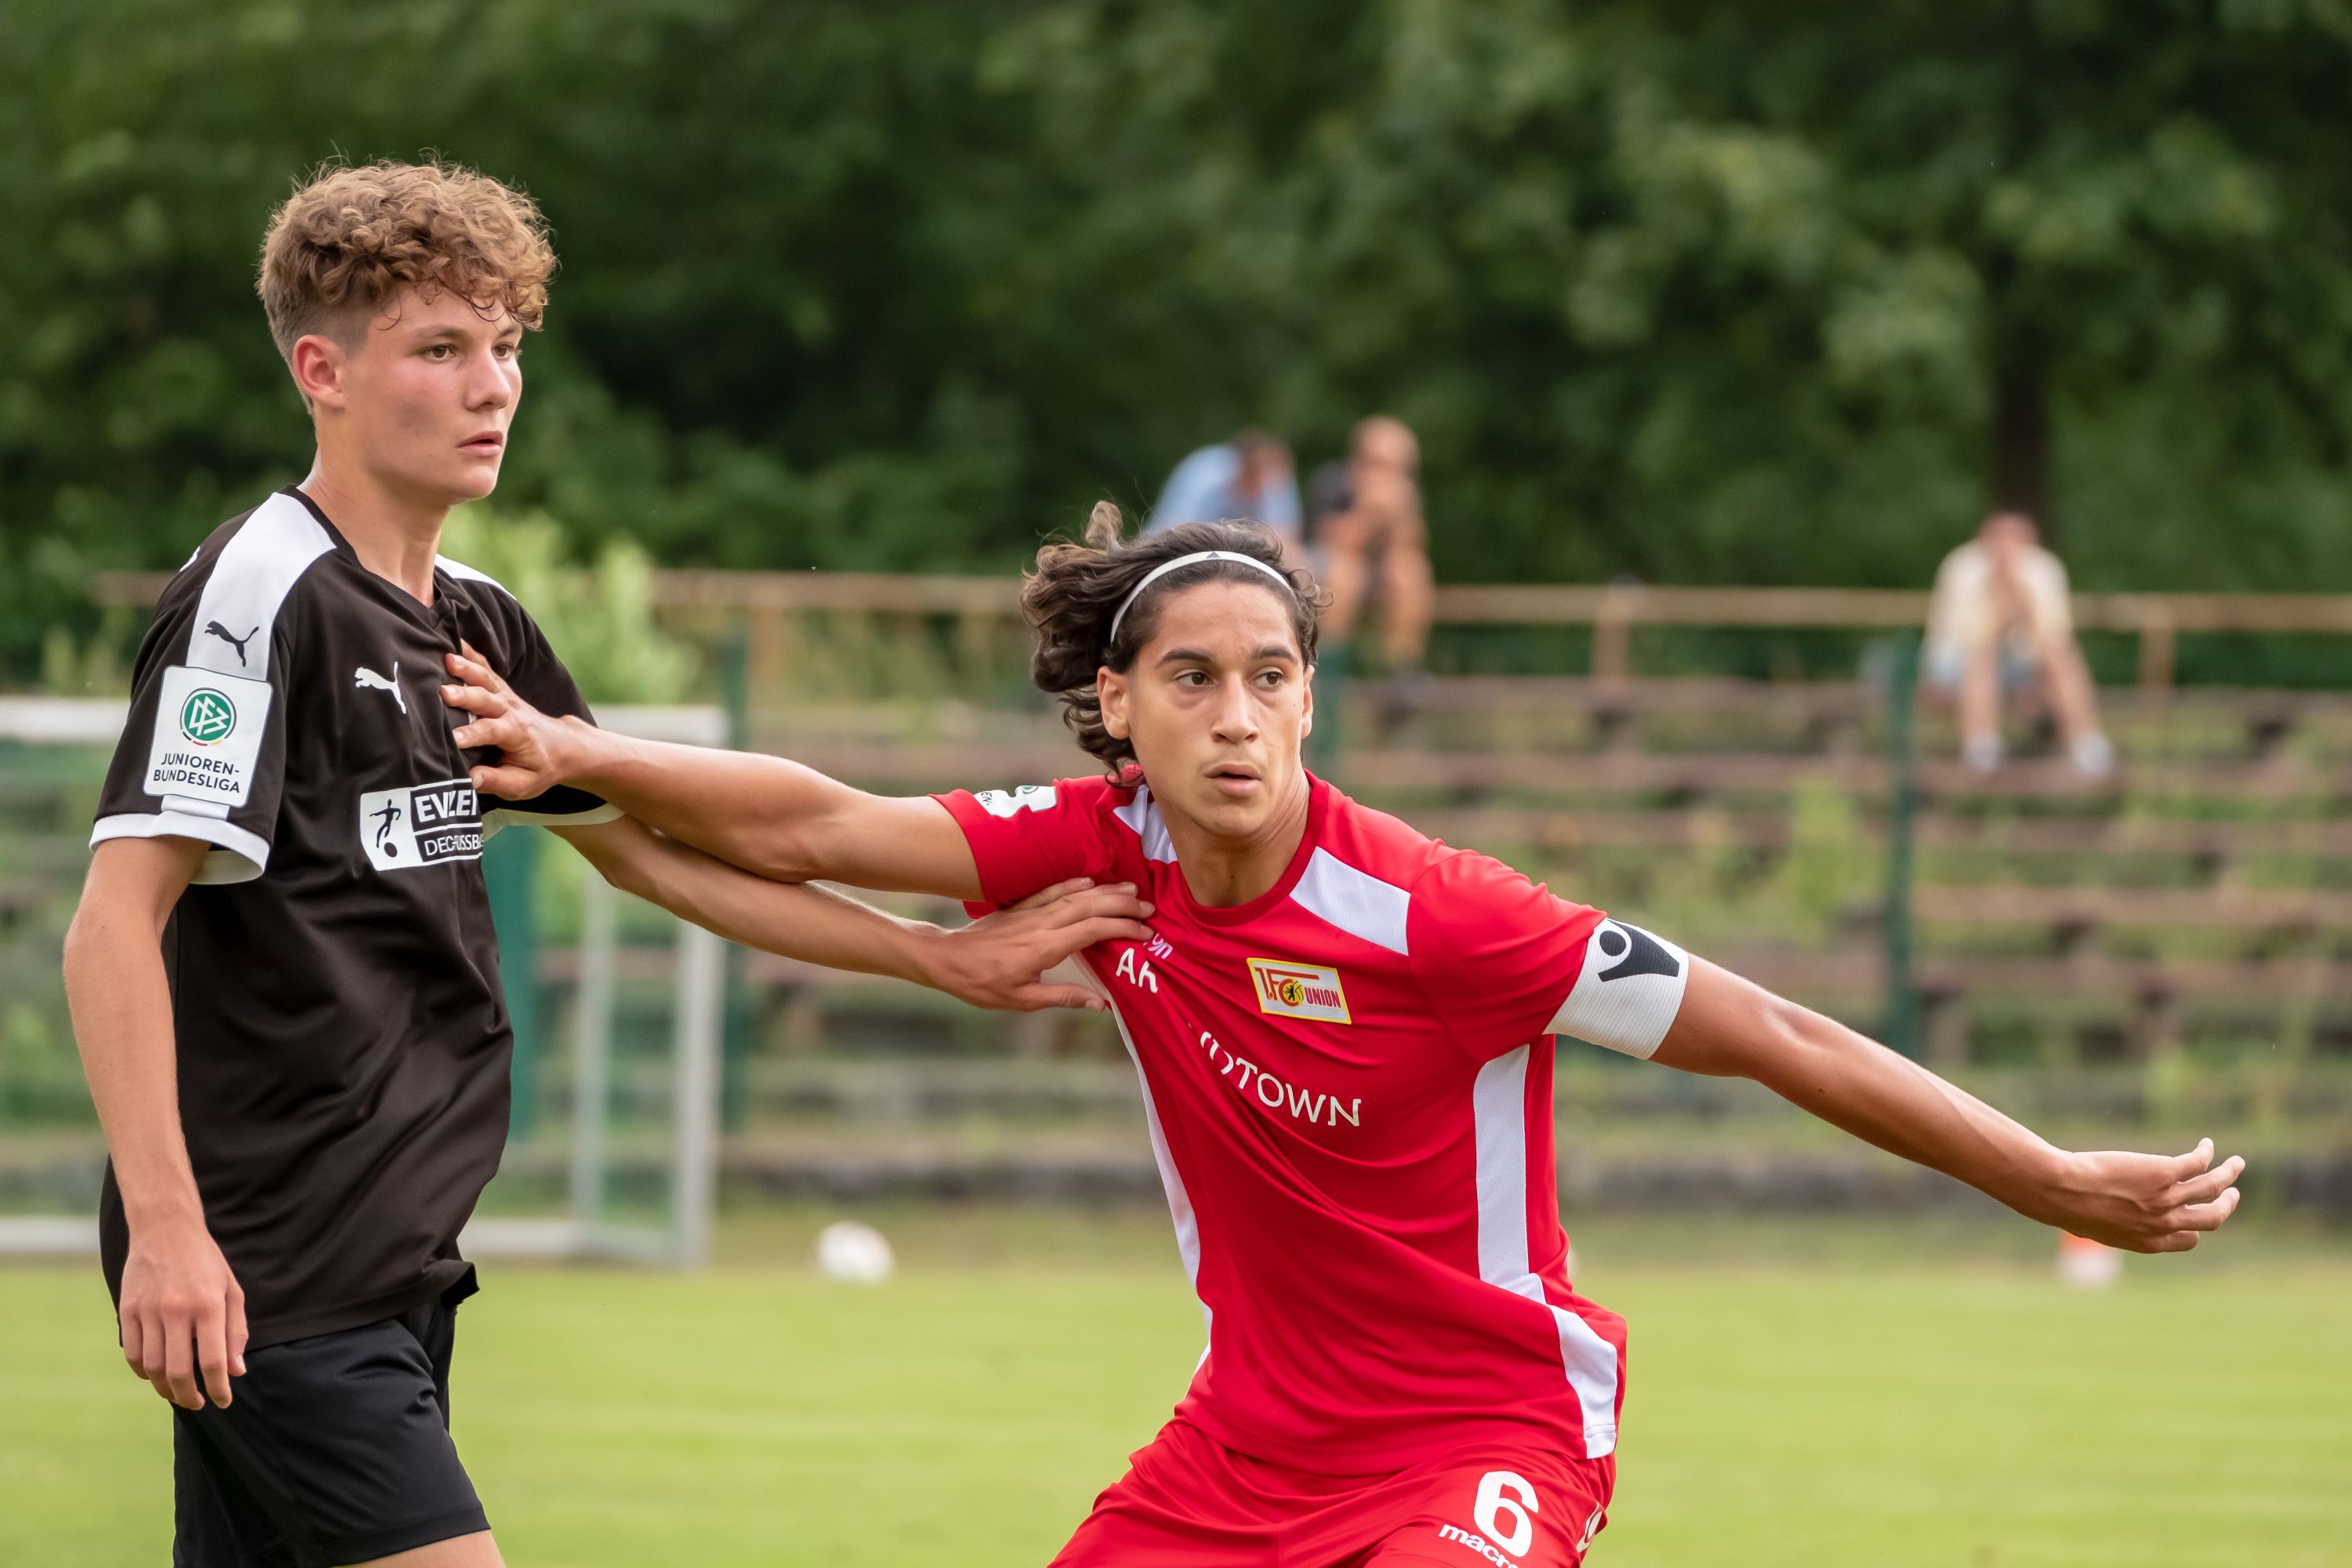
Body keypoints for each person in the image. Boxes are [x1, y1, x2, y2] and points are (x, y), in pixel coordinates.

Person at [442, 505, 2244, 1566]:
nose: (1236, 714)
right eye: (1192, 678)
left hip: (1487, 1426)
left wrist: (2048, 1174)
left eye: (1271, 675)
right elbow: (811, 823)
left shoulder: (1441, 913)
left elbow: (1768, 1027)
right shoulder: (1105, 844)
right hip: (1243, 1442)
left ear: (1312, 691)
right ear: (1114, 708)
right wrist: (573, 754)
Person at [62, 160, 1142, 1568]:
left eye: (505, 347)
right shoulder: (260, 596)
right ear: (320, 371)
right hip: (268, 1263)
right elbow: (112, 926)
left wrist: (933, 956)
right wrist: (165, 1232)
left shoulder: (481, 630)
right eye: (440, 351)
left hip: (394, 1263)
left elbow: (652, 859)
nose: (492, 386)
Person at [1923, 511, 2113, 775]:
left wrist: (2020, 602)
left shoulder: (2043, 567)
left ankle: (2086, 743)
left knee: (2060, 656)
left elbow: (2052, 635)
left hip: (2019, 663)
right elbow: (1968, 637)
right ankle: (1981, 745)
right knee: (1983, 654)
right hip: (1958, 664)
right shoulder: (1964, 566)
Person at [1311, 415, 1435, 679]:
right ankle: (1326, 672)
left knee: (1410, 571)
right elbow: (1332, 541)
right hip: (1336, 571)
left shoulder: (1406, 493)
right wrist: (1369, 513)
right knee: (1344, 574)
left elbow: (1414, 543)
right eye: (1380, 464)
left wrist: (1399, 516)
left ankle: (1402, 674)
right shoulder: (1334, 482)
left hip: (1382, 577)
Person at [1149, 427, 1304, 552]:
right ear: (1247, 472)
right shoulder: (1203, 475)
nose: (1268, 494)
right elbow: (1169, 532)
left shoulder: (1277, 477)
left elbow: (1286, 539)